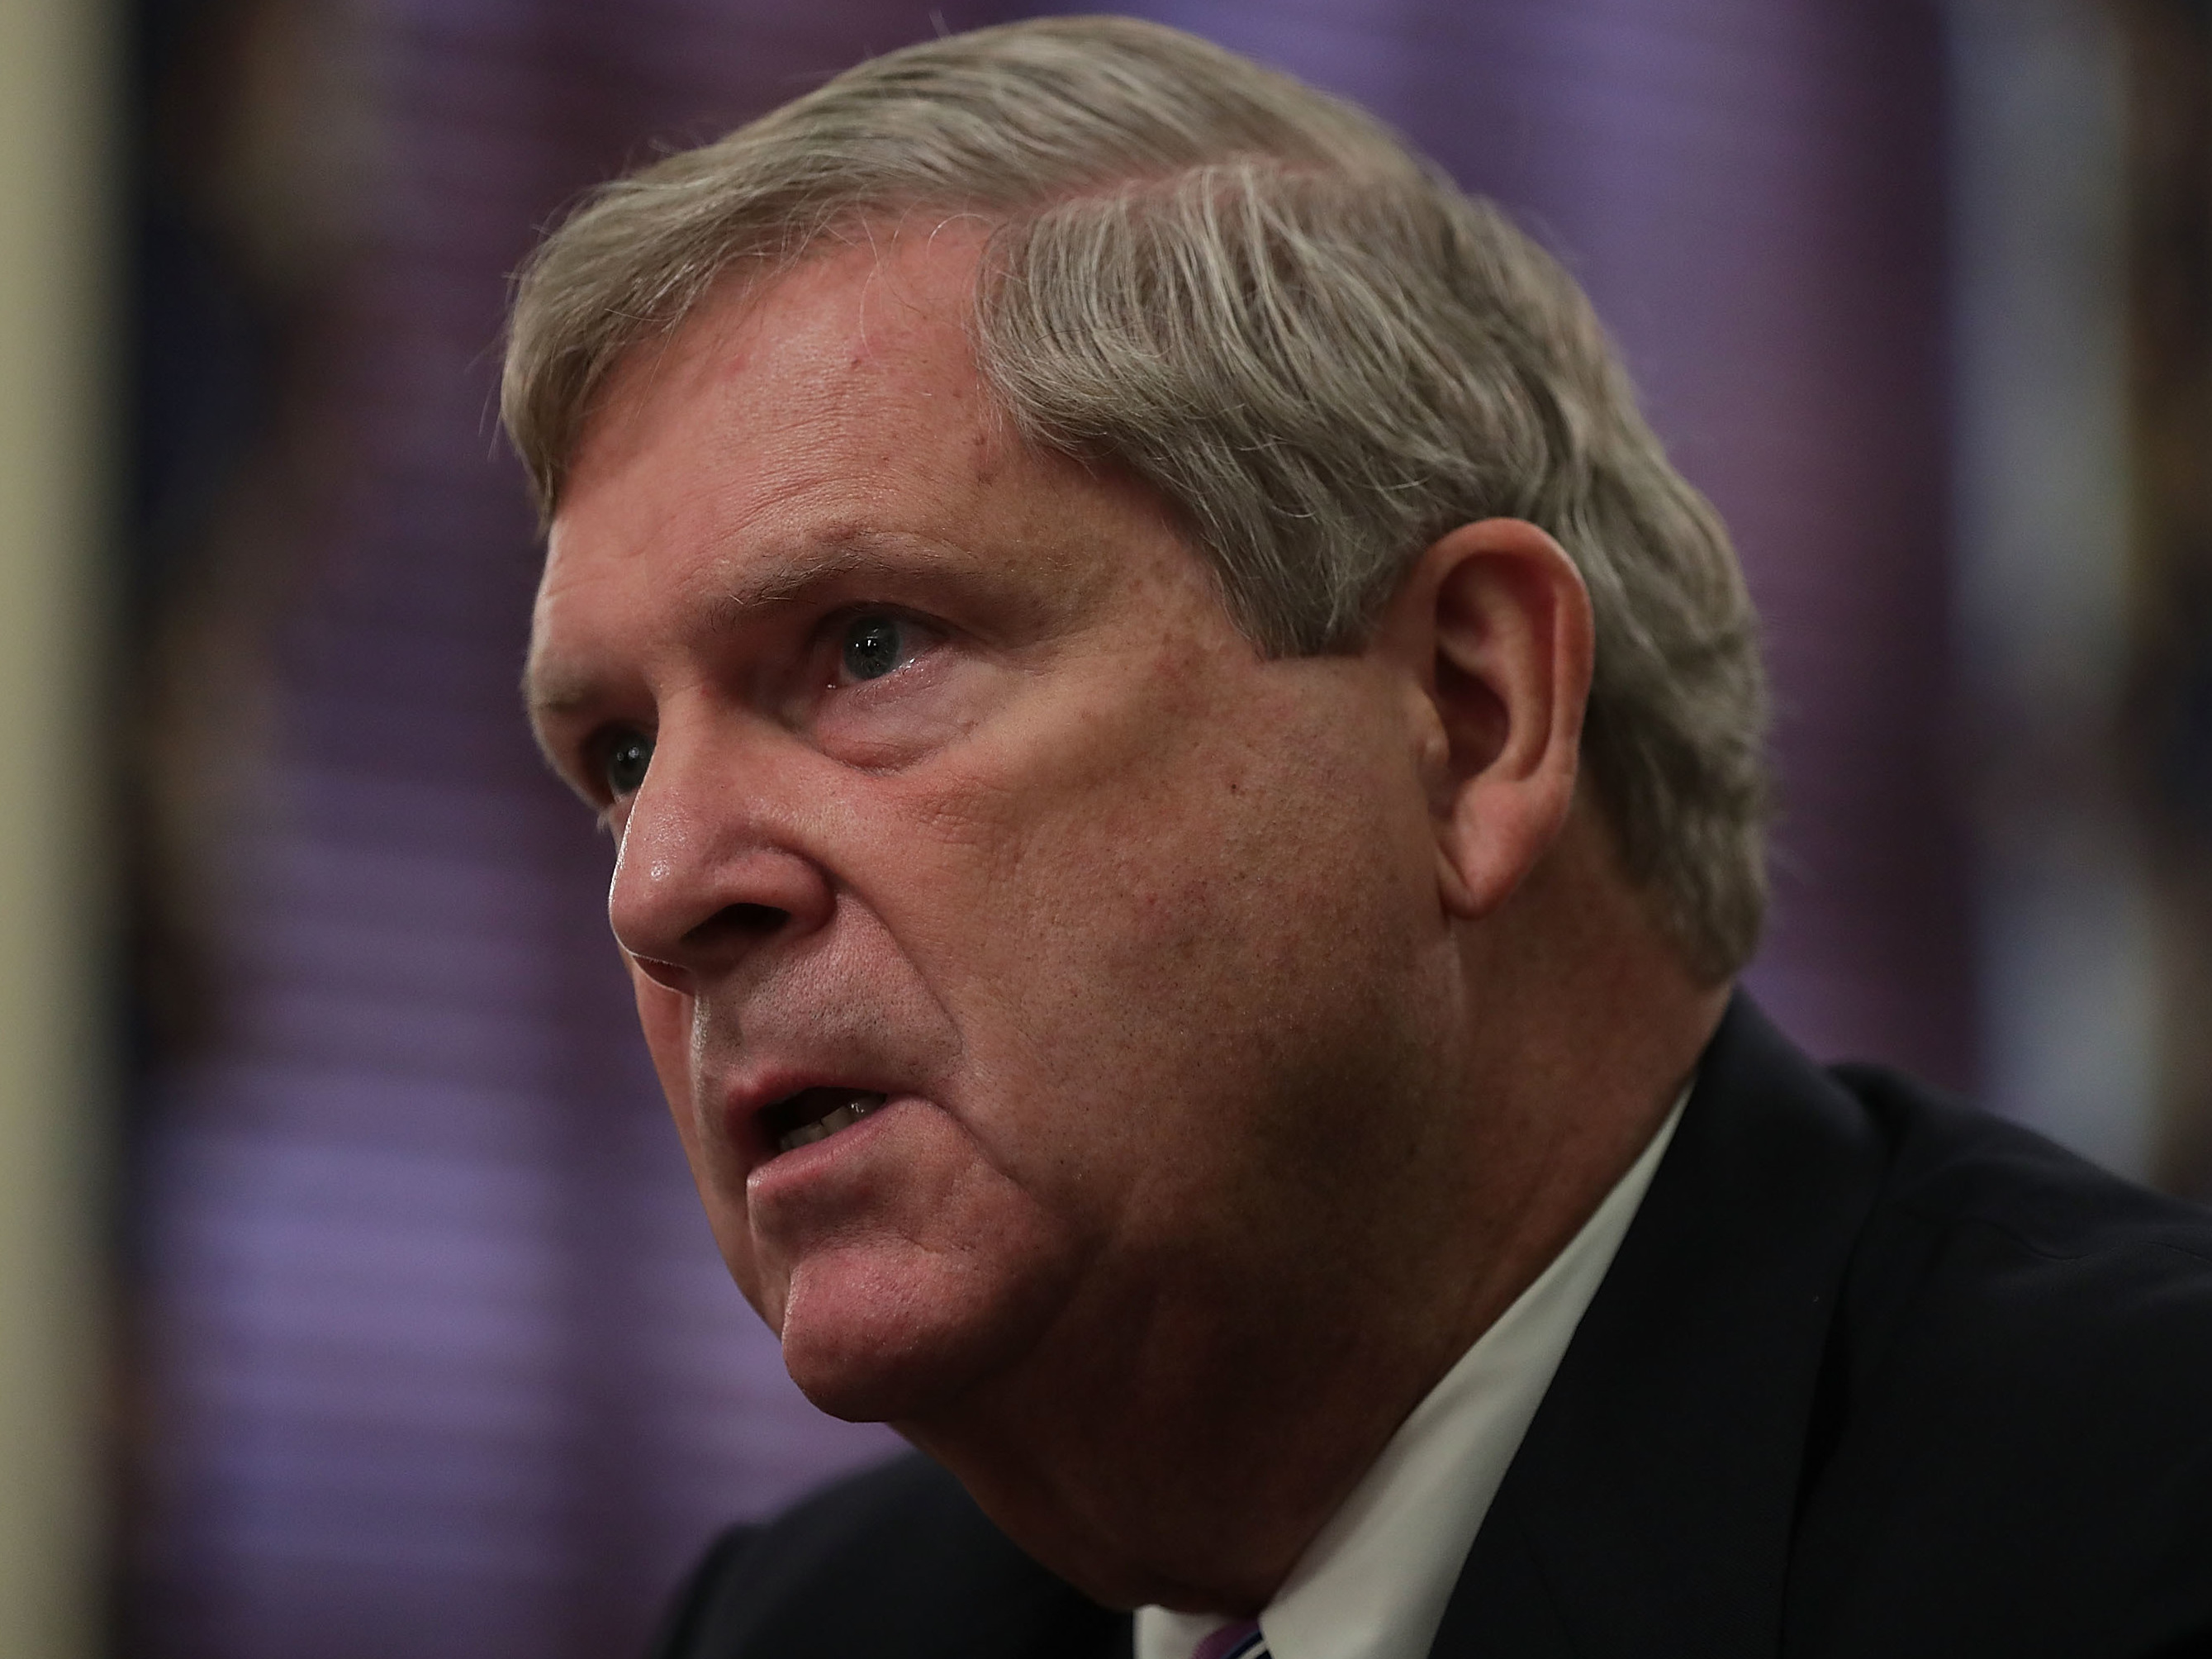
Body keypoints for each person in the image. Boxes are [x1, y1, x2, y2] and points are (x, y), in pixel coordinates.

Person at [503, 17, 2212, 1658]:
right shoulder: (801, 1627)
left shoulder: (2136, 1510)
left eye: (869, 645)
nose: (660, 887)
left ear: (1468, 713)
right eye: (621, 755)